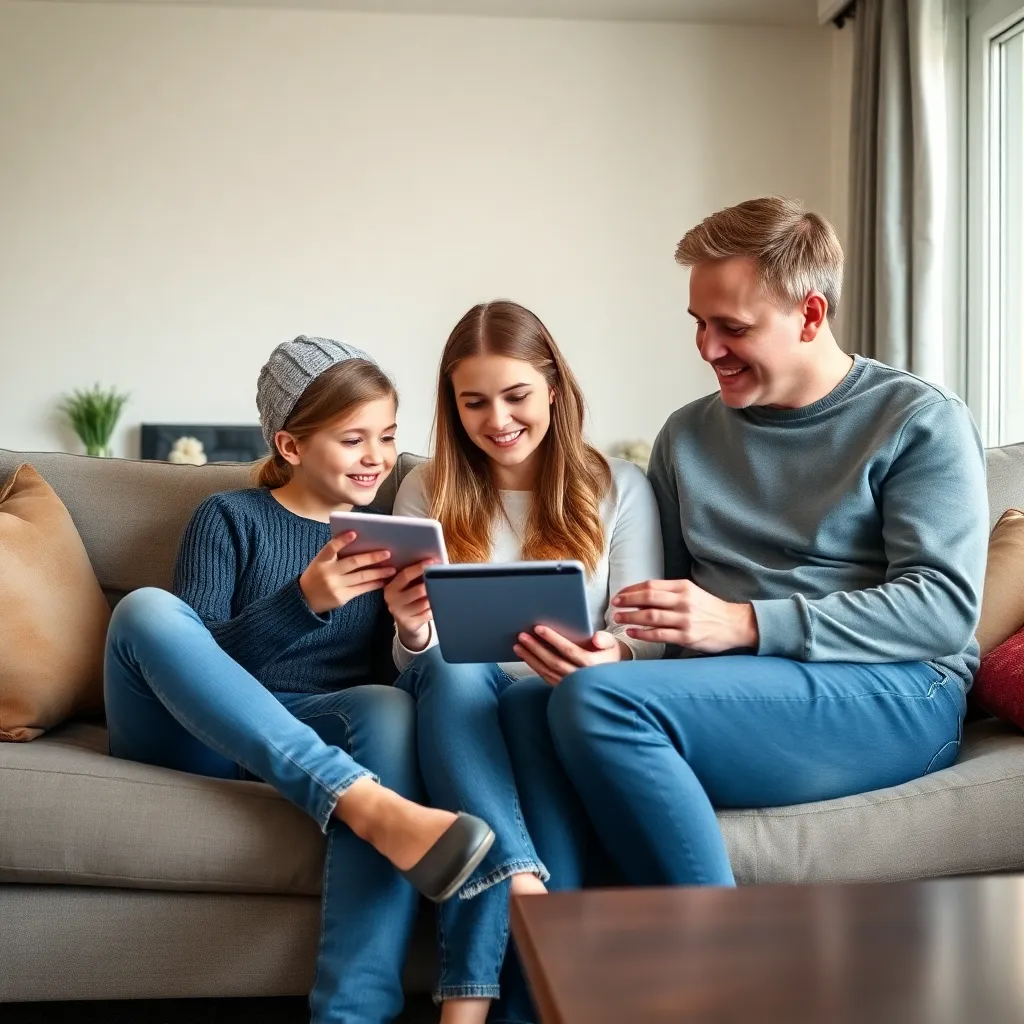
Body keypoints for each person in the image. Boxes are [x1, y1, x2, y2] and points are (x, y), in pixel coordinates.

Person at [499, 195, 988, 895]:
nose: (707, 349)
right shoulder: (688, 435)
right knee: (527, 703)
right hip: (734, 688)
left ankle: (728, 970)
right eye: (698, 324)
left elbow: (941, 609)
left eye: (732, 327)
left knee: (600, 704)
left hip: (897, 688)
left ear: (810, 315)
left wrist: (746, 622)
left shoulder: (917, 421)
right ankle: (554, 979)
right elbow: (660, 612)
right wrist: (619, 647)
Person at [104, 336, 493, 1024]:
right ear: (290, 445)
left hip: (311, 728)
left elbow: (384, 695)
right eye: (353, 439)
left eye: (388, 436)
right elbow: (194, 660)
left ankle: (351, 1012)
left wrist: (410, 629)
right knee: (147, 611)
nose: (377, 457)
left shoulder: (386, 536)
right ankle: (363, 801)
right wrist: (304, 601)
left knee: (388, 711)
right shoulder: (228, 518)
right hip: (194, 732)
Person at [383, 301, 664, 1023]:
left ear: (554, 390)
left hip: (551, 701)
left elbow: (642, 634)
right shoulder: (427, 489)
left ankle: (515, 948)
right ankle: (521, 882)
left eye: (515, 397)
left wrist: (611, 654)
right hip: (452, 701)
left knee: (527, 701)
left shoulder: (619, 487)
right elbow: (414, 658)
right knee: (451, 667)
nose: (497, 420)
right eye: (474, 402)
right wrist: (412, 626)